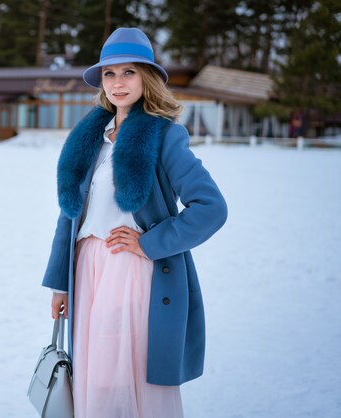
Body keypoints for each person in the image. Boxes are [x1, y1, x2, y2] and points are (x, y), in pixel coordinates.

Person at [41, 27, 228, 418]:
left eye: (128, 72)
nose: (117, 82)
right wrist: (60, 282)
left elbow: (211, 207)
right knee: (96, 376)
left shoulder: (164, 137)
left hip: (131, 268)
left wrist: (148, 243)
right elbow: (70, 214)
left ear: (147, 78)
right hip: (86, 271)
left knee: (124, 378)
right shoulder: (91, 139)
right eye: (109, 74)